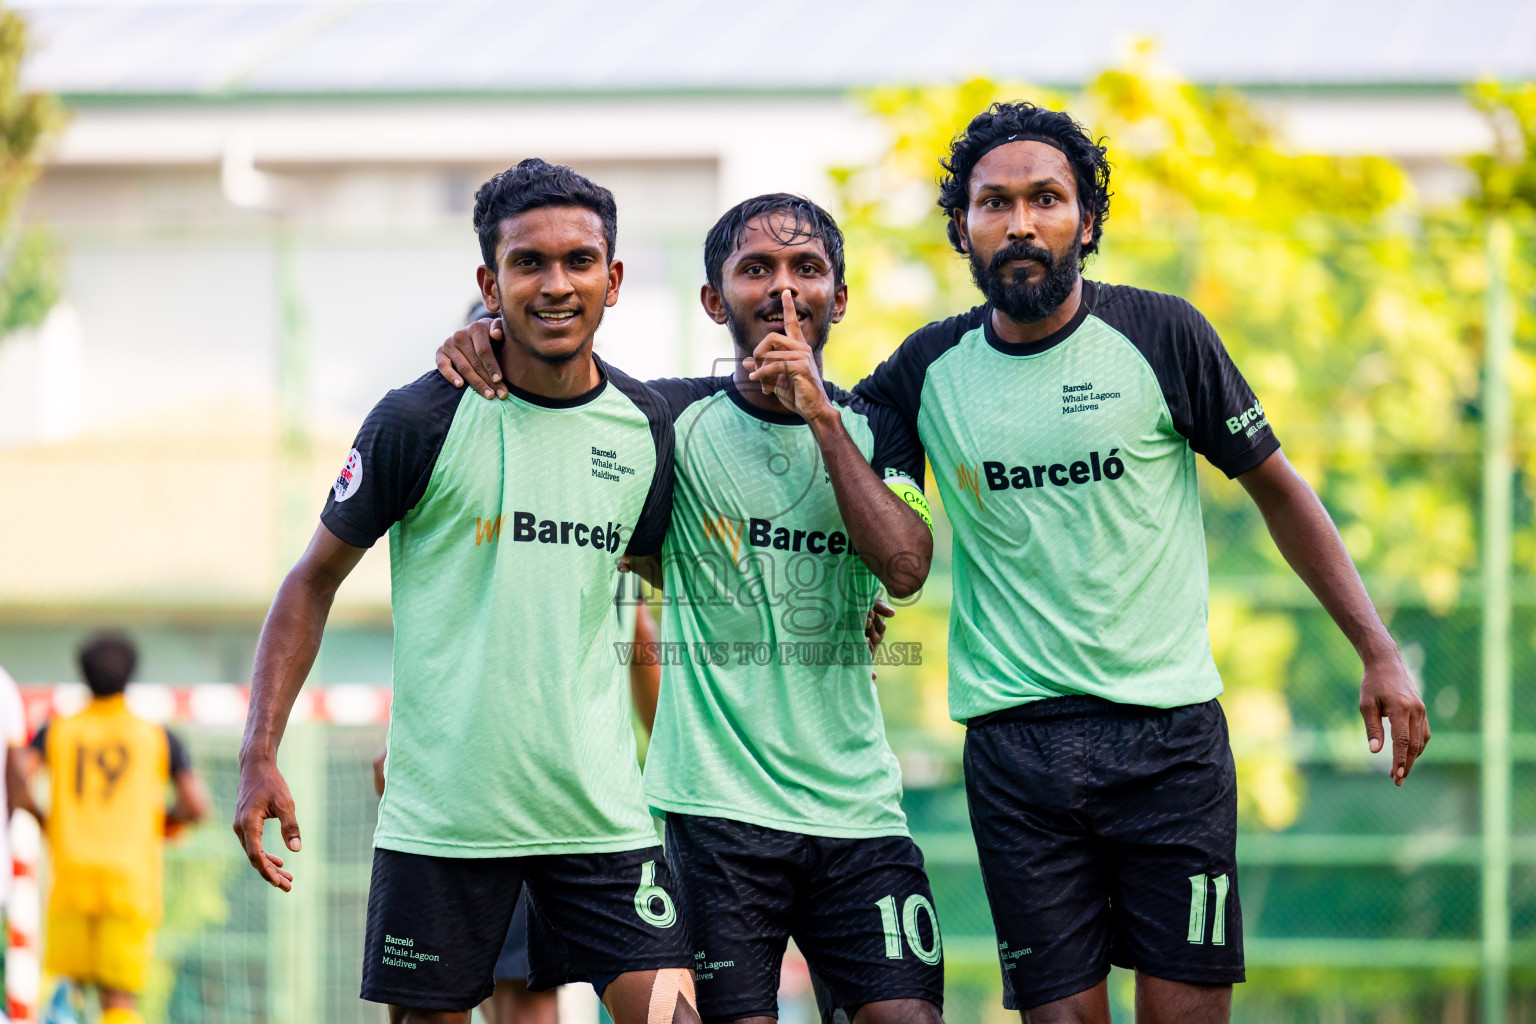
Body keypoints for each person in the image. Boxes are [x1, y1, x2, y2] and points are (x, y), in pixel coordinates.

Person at [844, 103, 1431, 1024]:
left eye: (1047, 198)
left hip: (1169, 746)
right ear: (962, 227)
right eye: (994, 203)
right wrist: (862, 583)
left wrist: (1380, 650)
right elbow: (840, 462)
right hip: (1016, 752)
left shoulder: (1164, 336)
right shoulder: (924, 371)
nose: (1022, 222)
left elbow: (1279, 489)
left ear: (1088, 219)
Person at [434, 194, 942, 1024]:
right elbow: (557, 405)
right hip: (715, 820)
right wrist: (483, 335)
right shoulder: (663, 418)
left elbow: (905, 566)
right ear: (715, 300)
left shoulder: (875, 423)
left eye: (806, 268)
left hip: (858, 812)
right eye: (756, 269)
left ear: (838, 298)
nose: (783, 290)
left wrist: (819, 415)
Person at [232, 158, 697, 1024]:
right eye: (528, 263)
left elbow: (655, 591)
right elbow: (311, 581)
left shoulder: (645, 427)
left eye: (578, 261)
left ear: (615, 278)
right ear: (491, 281)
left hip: (600, 822)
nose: (555, 285)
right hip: (443, 827)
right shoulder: (417, 420)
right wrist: (258, 749)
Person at [370, 596, 663, 1024]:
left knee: (506, 1003)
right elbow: (642, 638)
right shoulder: (602, 572)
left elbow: (640, 637)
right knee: (481, 1001)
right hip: (562, 802)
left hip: (510, 794)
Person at [21, 631, 208, 1024]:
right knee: (118, 999)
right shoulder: (154, 735)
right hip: (129, 882)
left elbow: (20, 778)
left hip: (71, 877)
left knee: (66, 989)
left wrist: (46, 823)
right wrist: (161, 824)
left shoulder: (58, 729)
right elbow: (196, 805)